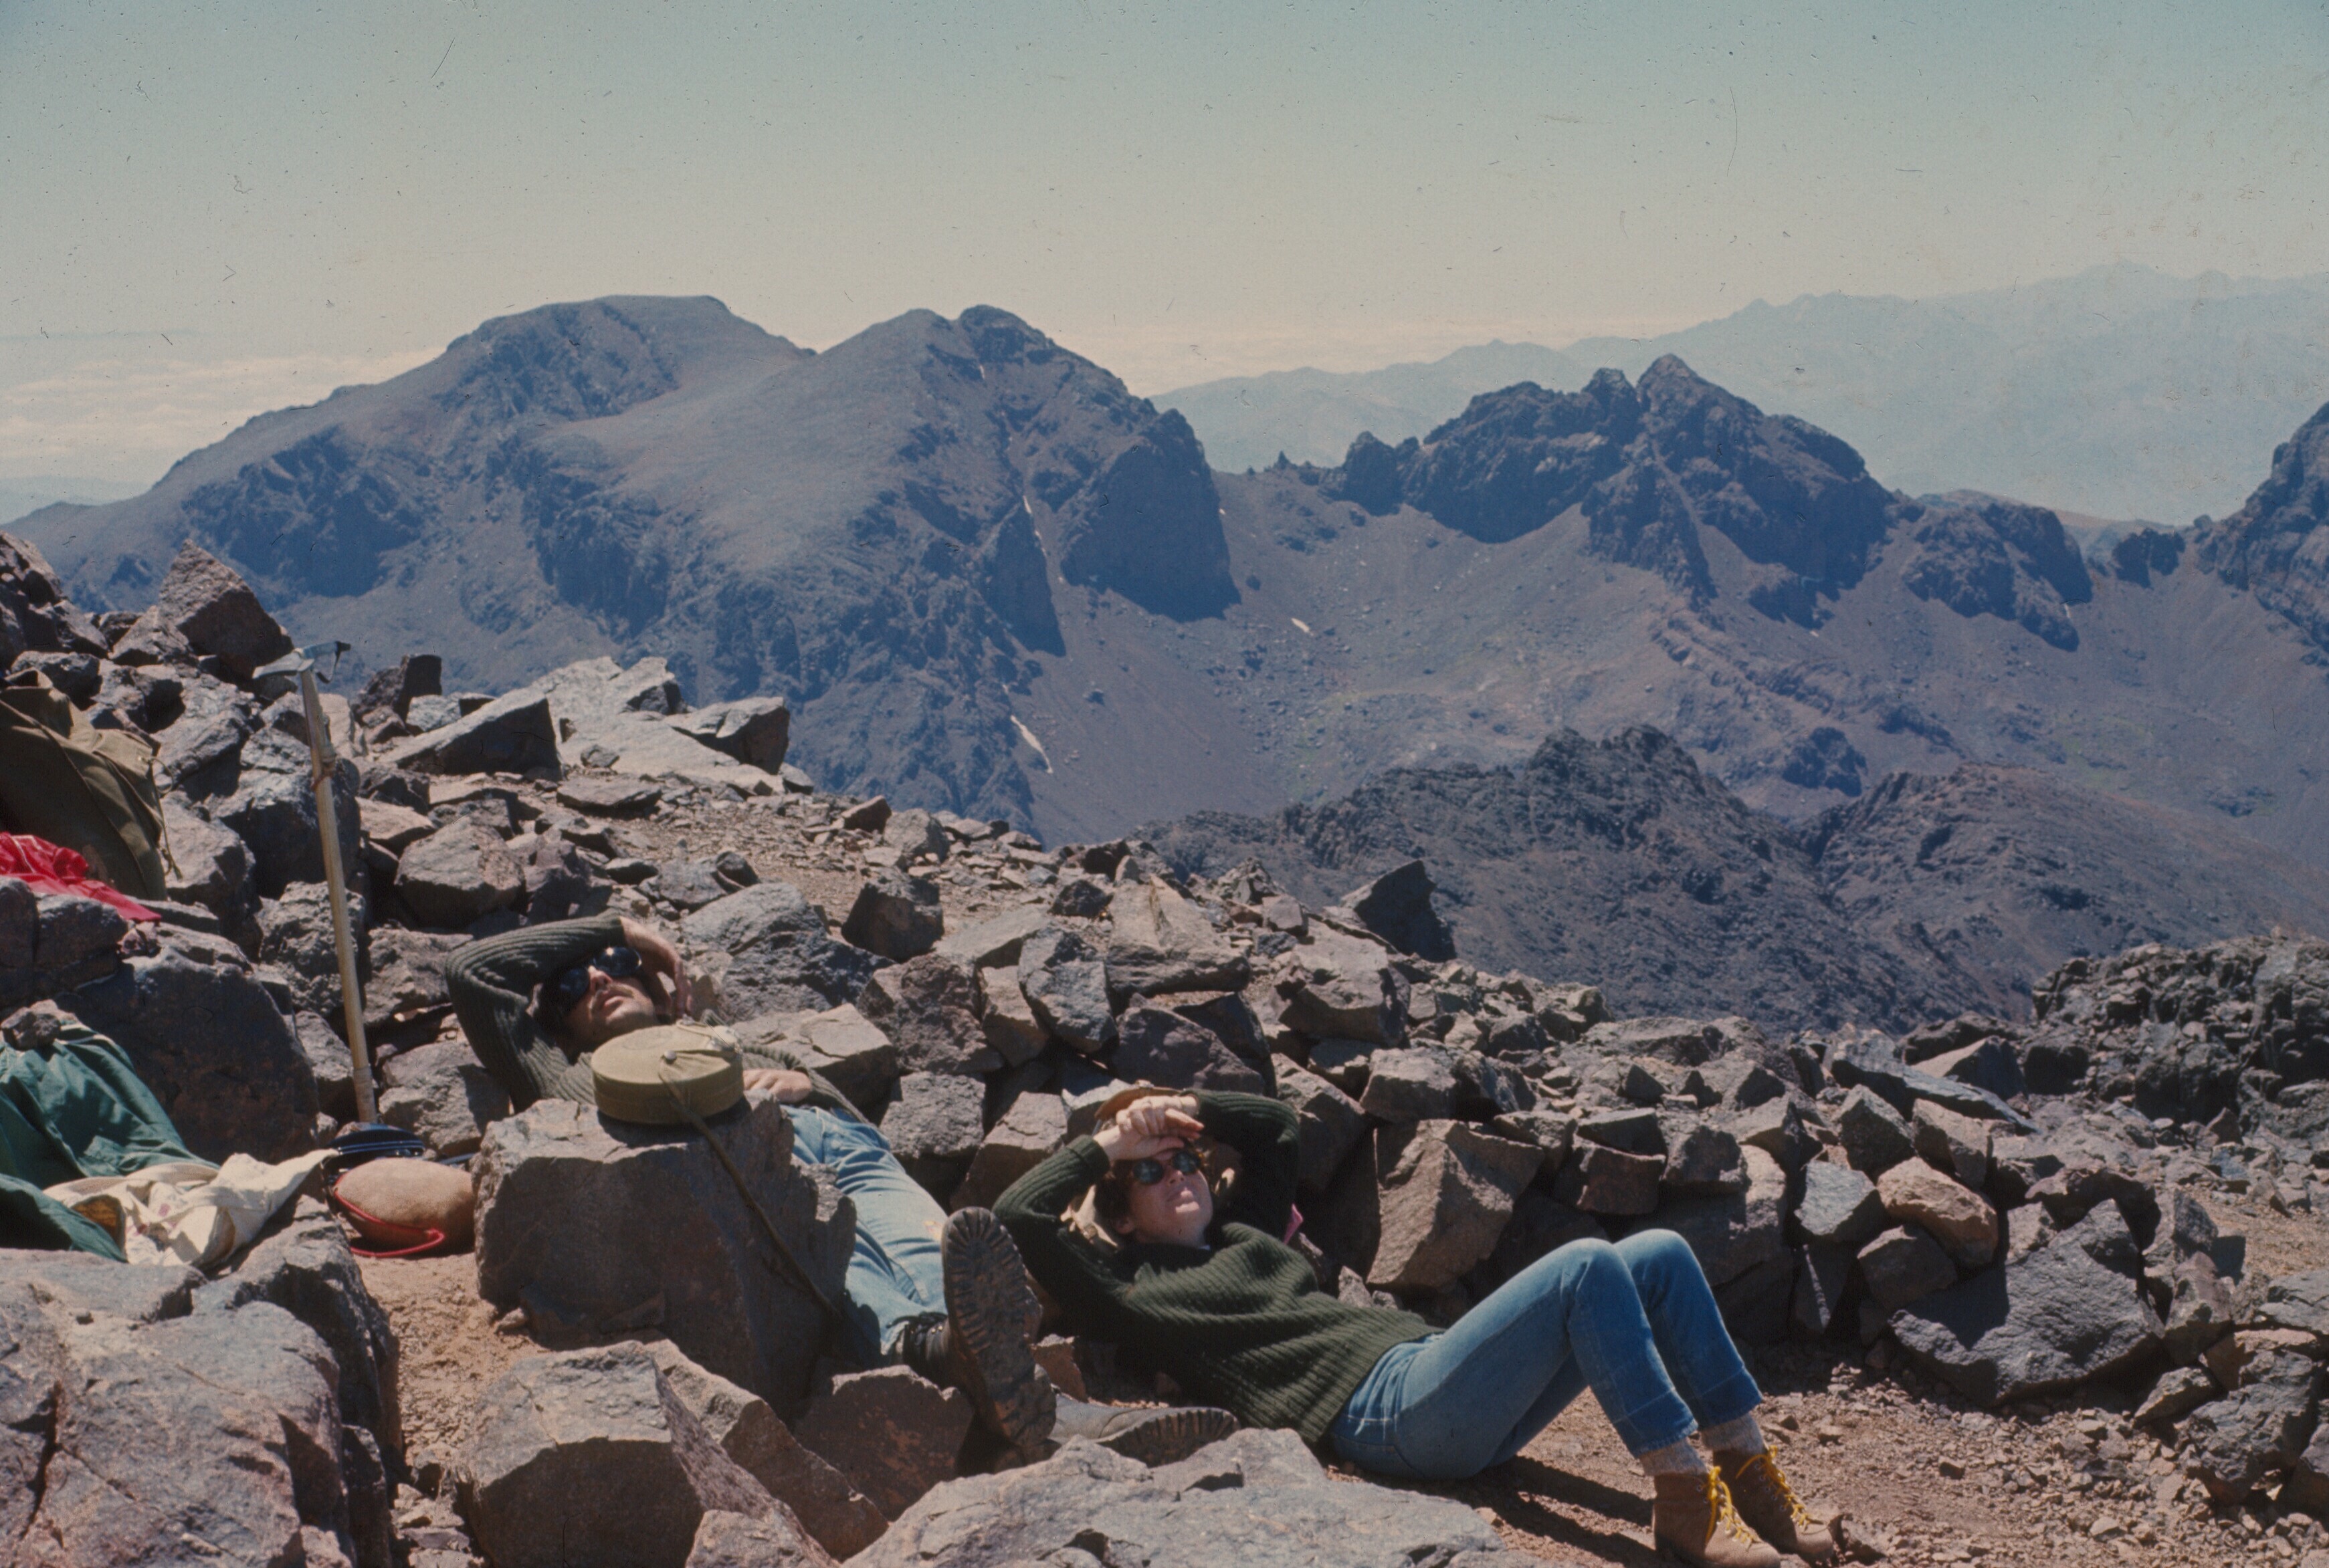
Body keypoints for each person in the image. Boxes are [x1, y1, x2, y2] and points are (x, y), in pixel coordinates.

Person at [447, 909, 1245, 1466]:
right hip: (744, 1170)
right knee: (838, 1252)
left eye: (616, 968)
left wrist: (808, 1086)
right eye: (571, 986)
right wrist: (626, 933)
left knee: (943, 1253)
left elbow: (839, 1105)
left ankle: (999, 1373)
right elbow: (471, 973)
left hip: (841, 1141)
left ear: (664, 991)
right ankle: (999, 1386)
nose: (598, 977)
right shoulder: (564, 1074)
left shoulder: (719, 1039)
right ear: (559, 1026)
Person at [995, 1087, 1843, 1568]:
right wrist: (1110, 1142)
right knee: (1587, 1265)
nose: (1178, 1172)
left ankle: (1751, 1480)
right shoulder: (1132, 1287)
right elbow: (1017, 1213)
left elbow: (1276, 1127)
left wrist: (1179, 1109)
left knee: (1657, 1251)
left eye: (1184, 1159)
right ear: (1122, 1213)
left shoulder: (1244, 1230)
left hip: (1430, 1375)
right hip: (1382, 1415)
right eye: (1149, 1173)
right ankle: (1683, 1498)